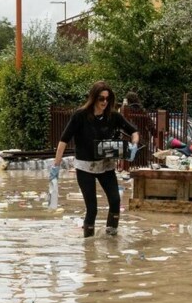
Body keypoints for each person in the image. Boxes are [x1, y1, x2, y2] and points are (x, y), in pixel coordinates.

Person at [53, 81, 139, 238]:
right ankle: (89, 244)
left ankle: (111, 236)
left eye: (107, 99)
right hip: (85, 167)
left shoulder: (113, 117)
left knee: (115, 200)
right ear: (93, 98)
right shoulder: (80, 116)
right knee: (92, 208)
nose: (104, 102)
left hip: (106, 166)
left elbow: (134, 131)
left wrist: (134, 145)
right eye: (101, 99)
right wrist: (56, 166)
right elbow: (63, 140)